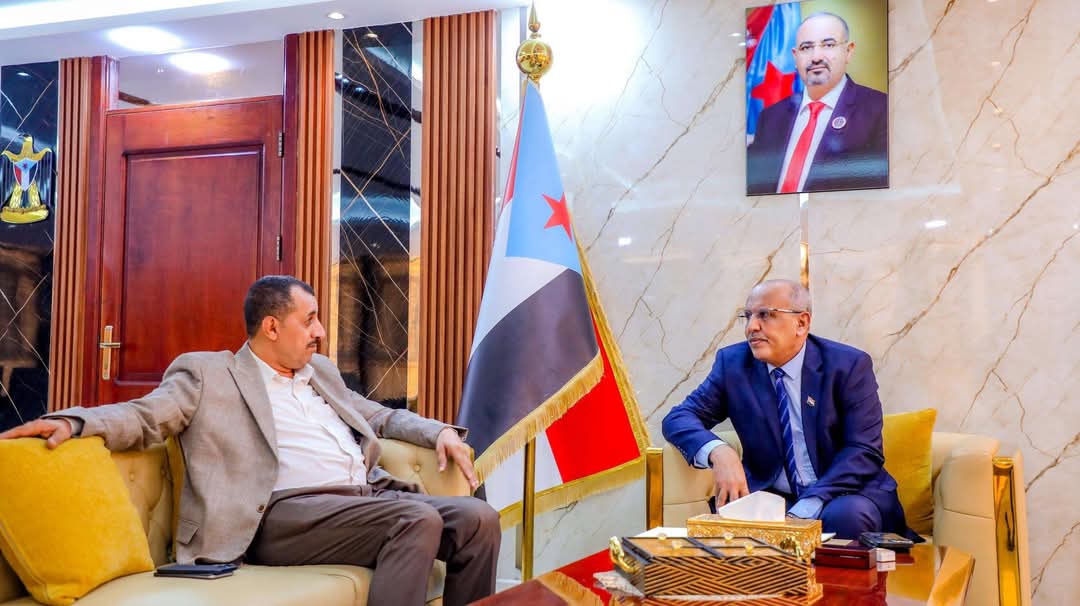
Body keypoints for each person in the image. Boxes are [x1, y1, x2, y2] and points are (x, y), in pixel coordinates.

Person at [0, 275, 500, 606]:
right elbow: (145, 415)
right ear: (271, 326)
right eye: (310, 319)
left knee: (478, 519)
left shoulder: (320, 373)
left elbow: (377, 415)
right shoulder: (209, 374)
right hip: (279, 515)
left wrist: (439, 432)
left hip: (364, 500)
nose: (321, 331)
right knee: (415, 520)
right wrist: (74, 422)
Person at [662, 279, 916, 540]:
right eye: (747, 316)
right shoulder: (734, 364)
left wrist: (805, 509)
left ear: (801, 323)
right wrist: (720, 452)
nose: (751, 327)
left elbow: (863, 449)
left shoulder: (848, 366)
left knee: (846, 516)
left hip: (844, 492)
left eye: (765, 315)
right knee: (733, 524)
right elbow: (679, 417)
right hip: (774, 496)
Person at [746, 12, 888, 194]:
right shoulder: (770, 116)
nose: (816, 57)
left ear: (848, 51)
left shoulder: (881, 110)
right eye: (806, 48)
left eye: (828, 45)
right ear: (795, 57)